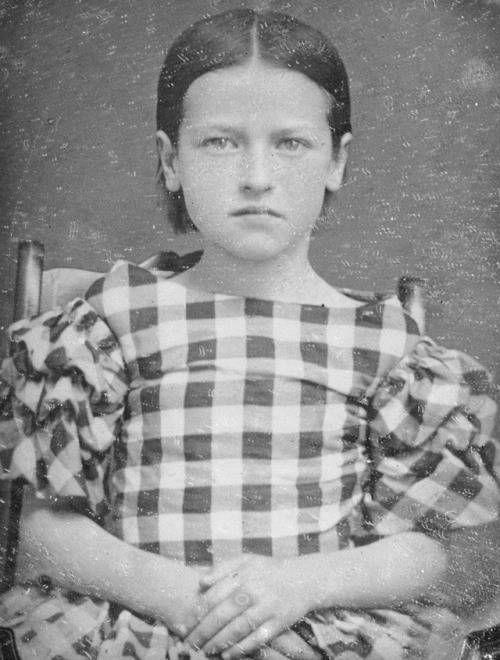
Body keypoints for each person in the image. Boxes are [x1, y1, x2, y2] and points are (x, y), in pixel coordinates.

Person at [0, 9, 499, 660]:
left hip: (318, 629)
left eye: (290, 143)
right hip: (144, 625)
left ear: (336, 162)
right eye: (219, 142)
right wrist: (180, 596)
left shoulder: (386, 346)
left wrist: (299, 585)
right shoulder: (119, 316)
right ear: (170, 160)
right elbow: (42, 534)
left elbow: (424, 553)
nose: (256, 176)